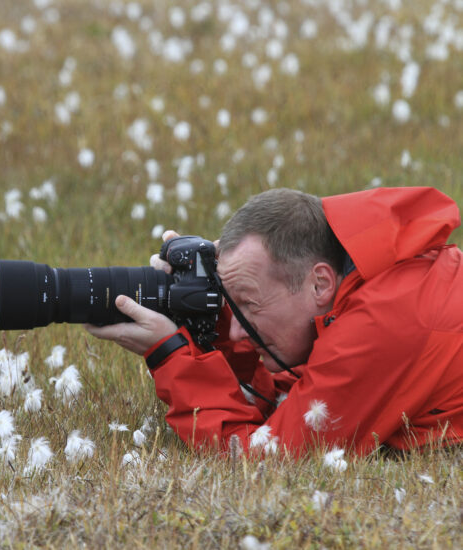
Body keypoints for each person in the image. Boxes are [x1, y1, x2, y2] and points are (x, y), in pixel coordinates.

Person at [86, 186, 463, 456]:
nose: (237, 329)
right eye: (234, 306)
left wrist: (170, 354)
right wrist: (208, 314)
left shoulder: (384, 324)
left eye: (248, 304)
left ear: (319, 283)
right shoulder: (371, 277)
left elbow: (267, 456)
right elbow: (283, 398)